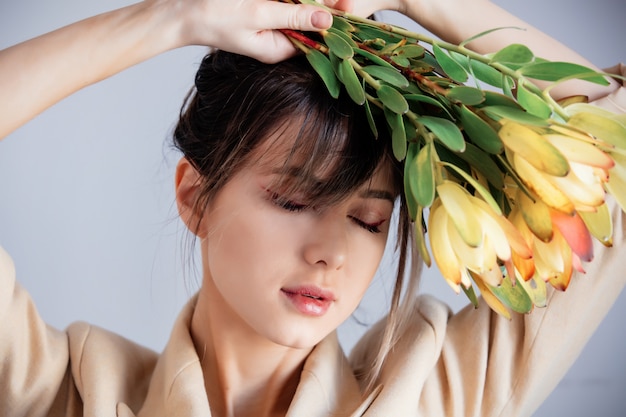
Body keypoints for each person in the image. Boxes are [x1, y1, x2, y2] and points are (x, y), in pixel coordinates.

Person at [0, 1, 624, 416]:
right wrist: (173, 18)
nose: (330, 253)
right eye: (294, 199)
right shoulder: (70, 392)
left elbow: (614, 154)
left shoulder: (432, 390)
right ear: (194, 196)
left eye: (369, 219)